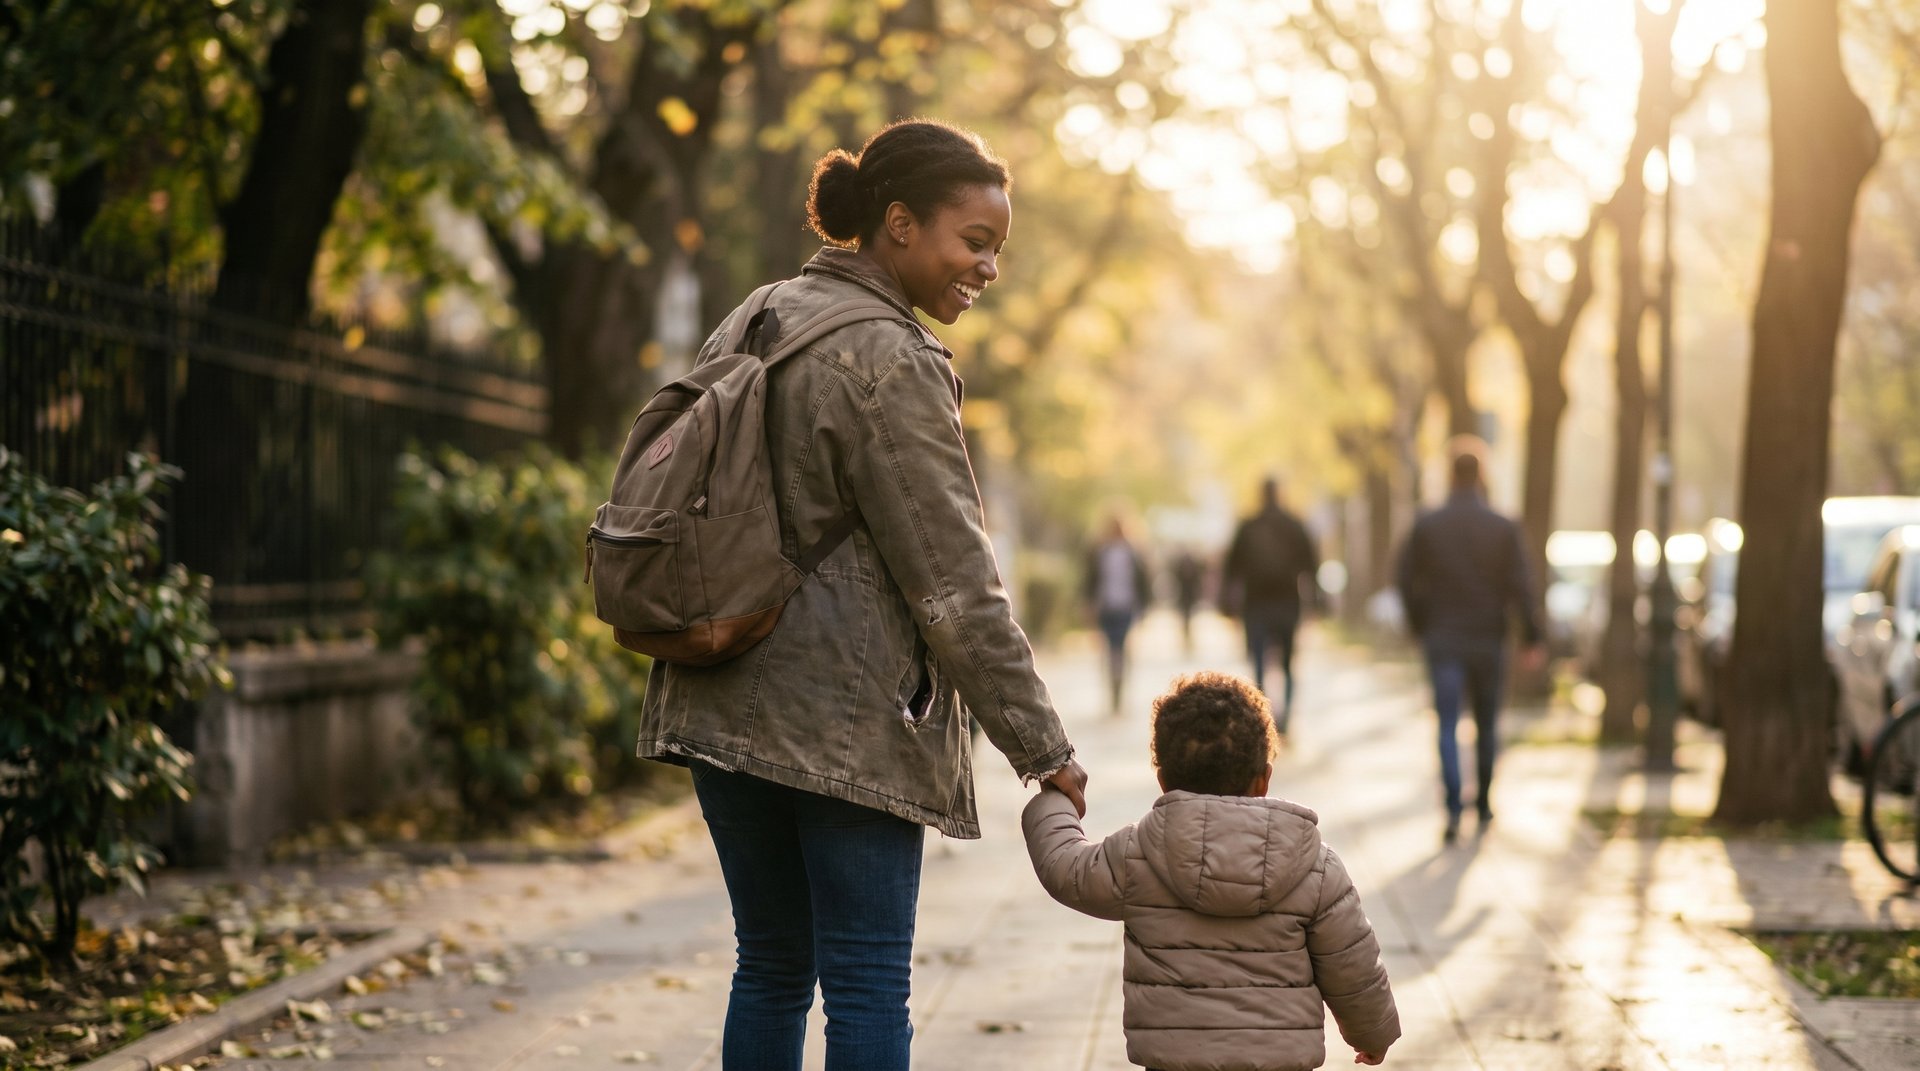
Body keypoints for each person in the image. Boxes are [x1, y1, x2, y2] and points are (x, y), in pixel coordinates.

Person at [633, 119, 1088, 1071]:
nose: (988, 267)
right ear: (898, 224)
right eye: (975, 242)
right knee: (869, 979)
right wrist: (1042, 748)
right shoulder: (894, 360)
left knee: (767, 966)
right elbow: (954, 583)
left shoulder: (757, 311)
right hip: (843, 722)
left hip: (717, 684)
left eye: (997, 249)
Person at [1022, 672, 1401, 1071]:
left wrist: (1055, 795)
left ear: (1163, 781)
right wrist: (1372, 1034)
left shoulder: (1138, 856)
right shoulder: (1317, 868)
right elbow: (1352, 966)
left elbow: (1065, 866)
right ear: (1264, 780)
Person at [1394, 436, 1544, 844]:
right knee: (1486, 722)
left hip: (1442, 637)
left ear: (1449, 474)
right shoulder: (1502, 525)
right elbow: (1521, 585)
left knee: (1446, 723)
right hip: (1487, 638)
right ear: (1481, 475)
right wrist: (1531, 637)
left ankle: (1453, 807)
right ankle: (1485, 804)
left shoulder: (1428, 525)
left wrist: (1418, 623)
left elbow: (1405, 580)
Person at [1222, 476, 1319, 735]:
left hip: (1255, 604)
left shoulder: (1248, 526)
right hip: (1287, 602)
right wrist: (1315, 600)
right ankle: (1284, 720)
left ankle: (1260, 719)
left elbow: (1232, 568)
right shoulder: (1294, 525)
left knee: (1258, 662)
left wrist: (1228, 603)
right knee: (1287, 664)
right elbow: (1310, 564)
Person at [1084, 514, 1152, 715]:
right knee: (1110, 650)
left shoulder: (1134, 552)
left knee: (1121, 650)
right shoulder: (1099, 552)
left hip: (1126, 606)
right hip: (1106, 607)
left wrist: (1144, 607)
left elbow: (1144, 581)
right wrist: (1088, 604)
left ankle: (1120, 690)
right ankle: (1112, 689)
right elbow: (1090, 580)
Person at [1169, 547, 1206, 654]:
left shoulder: (1193, 565)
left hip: (1189, 595)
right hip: (1184, 595)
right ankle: (1186, 637)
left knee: (1189, 616)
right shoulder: (1181, 565)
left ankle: (1189, 637)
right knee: (1185, 616)